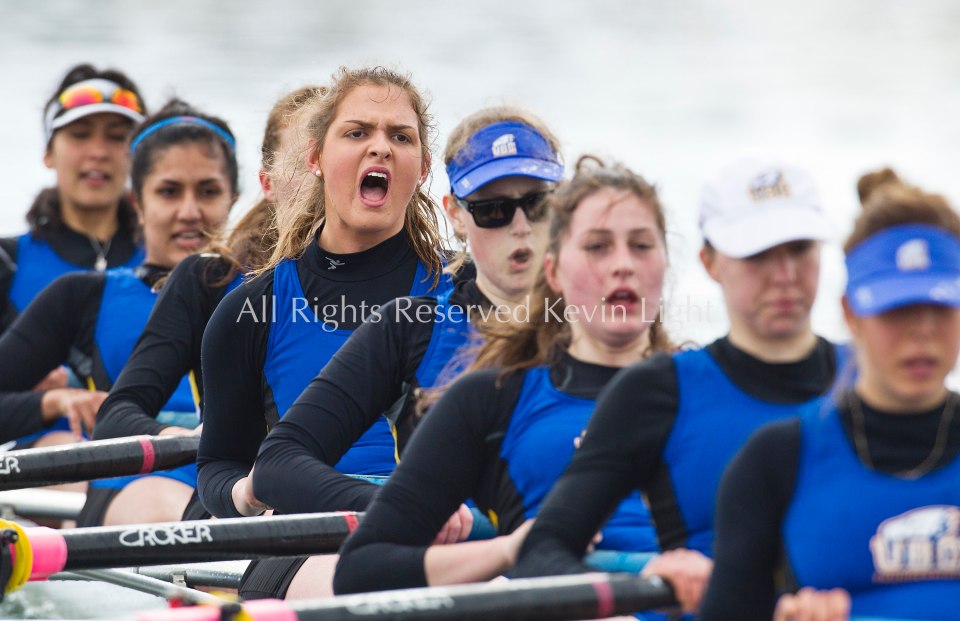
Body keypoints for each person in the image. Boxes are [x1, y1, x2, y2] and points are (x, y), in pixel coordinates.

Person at [247, 107, 562, 599]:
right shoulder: (412, 327)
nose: (520, 226)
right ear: (456, 214)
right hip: (442, 559)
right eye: (493, 209)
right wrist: (398, 503)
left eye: (538, 205)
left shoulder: (608, 330)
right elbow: (278, 462)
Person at [513, 158, 844, 615]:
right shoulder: (657, 392)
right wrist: (642, 576)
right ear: (709, 262)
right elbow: (542, 553)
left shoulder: (875, 376)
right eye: (759, 253)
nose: (784, 274)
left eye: (799, 249)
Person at [333, 156, 669, 595]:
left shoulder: (714, 388)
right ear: (554, 271)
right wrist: (509, 550)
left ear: (666, 262)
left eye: (642, 245)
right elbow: (362, 570)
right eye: (597, 247)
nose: (623, 265)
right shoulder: (491, 397)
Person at [197, 66, 452, 521]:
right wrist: (245, 494)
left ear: (424, 167)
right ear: (315, 157)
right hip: (304, 532)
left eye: (400, 137)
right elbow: (218, 466)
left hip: (444, 532)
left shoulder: (464, 292)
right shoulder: (252, 309)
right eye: (357, 133)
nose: (380, 147)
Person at [700, 178, 960, 621]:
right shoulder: (774, 460)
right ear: (849, 313)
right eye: (897, 309)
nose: (923, 332)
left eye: (940, 305)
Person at [0, 99, 238, 526]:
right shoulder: (82, 296)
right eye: (169, 191)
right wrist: (51, 403)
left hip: (237, 483)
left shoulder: (273, 293)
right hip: (133, 481)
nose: (190, 212)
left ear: (233, 199)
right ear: (137, 203)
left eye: (208, 191)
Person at [93, 85, 322, 441]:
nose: (321, 175)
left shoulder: (432, 282)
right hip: (237, 488)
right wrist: (182, 440)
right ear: (267, 183)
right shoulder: (208, 279)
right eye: (304, 161)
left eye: (333, 156)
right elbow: (116, 417)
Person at [0, 64, 146, 337]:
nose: (99, 152)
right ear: (48, 153)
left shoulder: (174, 262)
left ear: (140, 158)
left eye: (116, 137)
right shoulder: (7, 264)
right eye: (80, 134)